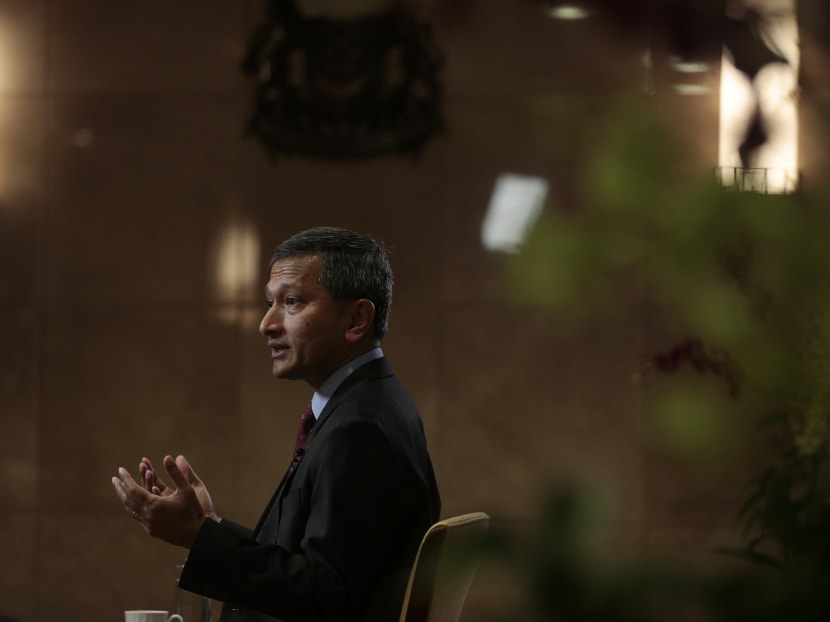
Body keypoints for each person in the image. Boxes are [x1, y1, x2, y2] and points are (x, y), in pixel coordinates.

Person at [111, 226, 441, 622]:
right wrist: (210, 527)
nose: (266, 323)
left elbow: (326, 599)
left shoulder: (359, 428)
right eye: (270, 302)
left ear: (356, 319)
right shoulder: (372, 402)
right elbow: (317, 568)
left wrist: (199, 537)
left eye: (292, 302)